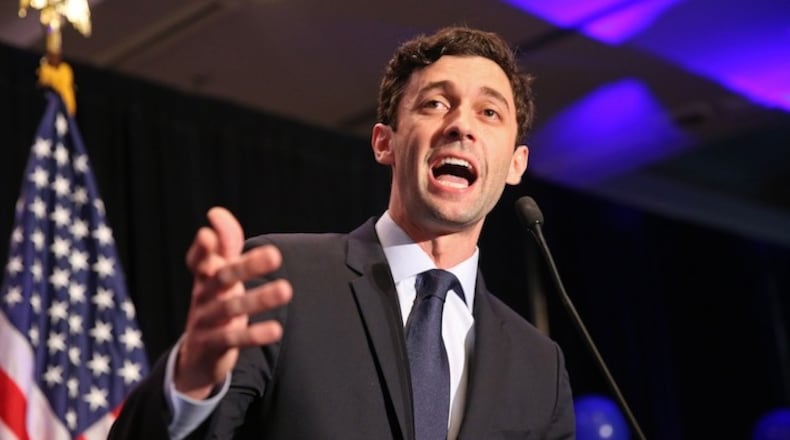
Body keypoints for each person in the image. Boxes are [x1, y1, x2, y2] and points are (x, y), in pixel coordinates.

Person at [109, 25, 575, 439]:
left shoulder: (540, 368)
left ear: (517, 164)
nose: (460, 125)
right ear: (384, 142)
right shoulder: (283, 281)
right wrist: (190, 383)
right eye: (435, 103)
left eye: (489, 113)